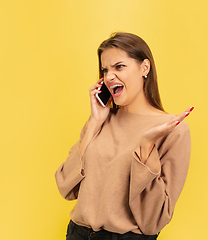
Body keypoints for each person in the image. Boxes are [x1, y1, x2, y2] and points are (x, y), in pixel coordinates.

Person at [55, 32, 193, 240]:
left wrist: (146, 147)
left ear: (144, 68)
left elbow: (152, 220)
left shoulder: (172, 130)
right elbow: (66, 185)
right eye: (105, 70)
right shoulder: (100, 121)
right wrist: (94, 122)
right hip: (78, 233)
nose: (109, 76)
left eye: (119, 67)